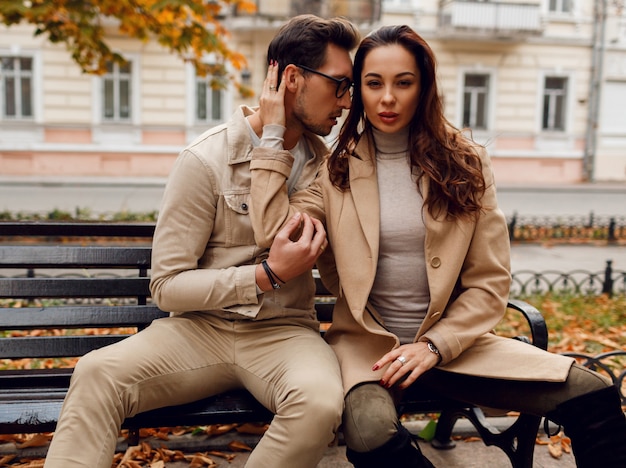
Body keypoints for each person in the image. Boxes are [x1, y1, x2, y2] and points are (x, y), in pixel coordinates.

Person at [249, 24, 626, 468]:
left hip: (456, 348)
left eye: (403, 83)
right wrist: (274, 134)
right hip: (369, 355)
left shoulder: (465, 162)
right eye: (373, 84)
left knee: (593, 394)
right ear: (357, 91)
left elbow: (489, 283)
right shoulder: (335, 171)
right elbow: (273, 233)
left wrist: (434, 346)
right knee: (371, 435)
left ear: (423, 87)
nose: (387, 98)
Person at [43, 15, 360, 468]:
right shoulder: (205, 160)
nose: (346, 102)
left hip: (285, 332)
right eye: (339, 86)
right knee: (97, 373)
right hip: (199, 330)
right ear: (292, 78)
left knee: (321, 403)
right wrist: (263, 276)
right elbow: (167, 285)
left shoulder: (328, 169)